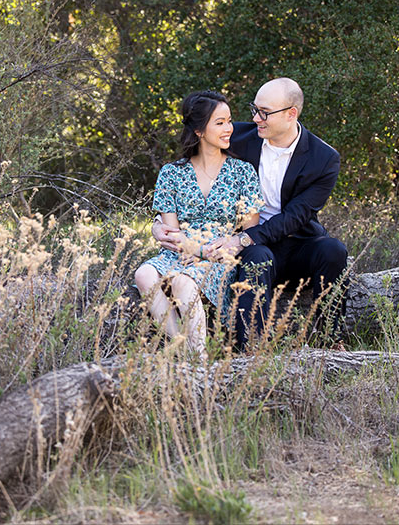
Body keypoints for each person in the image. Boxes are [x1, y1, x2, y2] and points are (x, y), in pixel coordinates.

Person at [152, 78, 348, 351]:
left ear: (291, 113)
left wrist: (245, 239)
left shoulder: (323, 158)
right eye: (254, 109)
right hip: (246, 246)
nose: (256, 118)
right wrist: (159, 222)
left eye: (264, 112)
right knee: (259, 256)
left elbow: (297, 216)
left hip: (293, 240)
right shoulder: (239, 137)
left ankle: (329, 338)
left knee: (333, 251)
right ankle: (249, 350)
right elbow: (189, 176)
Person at [135, 90, 264, 359]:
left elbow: (249, 228)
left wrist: (212, 253)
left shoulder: (243, 171)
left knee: (182, 283)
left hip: (220, 254)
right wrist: (194, 250)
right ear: (198, 131)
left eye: (229, 121)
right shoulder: (172, 172)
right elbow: (171, 232)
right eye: (220, 123)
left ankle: (200, 361)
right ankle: (183, 349)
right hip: (181, 252)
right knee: (144, 275)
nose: (229, 128)